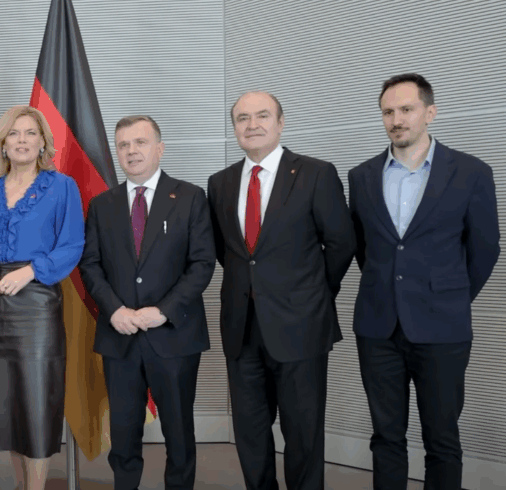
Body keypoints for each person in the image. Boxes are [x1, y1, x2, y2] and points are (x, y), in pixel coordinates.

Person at [348, 73, 500, 490]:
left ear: (430, 113)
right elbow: (364, 249)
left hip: (443, 327)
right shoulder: (361, 176)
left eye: (406, 109)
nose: (396, 119)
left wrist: (449, 295)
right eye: (388, 112)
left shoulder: (471, 172)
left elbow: (485, 248)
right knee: (386, 437)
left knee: (442, 438)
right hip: (377, 327)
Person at [206, 92, 355, 490]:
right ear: (234, 127)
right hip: (241, 328)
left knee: (303, 435)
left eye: (262, 115)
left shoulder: (316, 173)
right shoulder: (220, 183)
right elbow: (227, 252)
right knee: (250, 434)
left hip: (301, 325)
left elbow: (341, 243)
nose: (252, 125)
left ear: (281, 122)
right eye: (242, 118)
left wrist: (313, 293)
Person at [79, 115, 215, 490]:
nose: (132, 151)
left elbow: (202, 264)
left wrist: (163, 311)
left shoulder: (190, 197)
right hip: (119, 334)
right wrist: (114, 310)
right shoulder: (102, 204)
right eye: (123, 145)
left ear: (160, 148)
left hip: (174, 334)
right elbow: (90, 265)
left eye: (140, 142)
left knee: (179, 433)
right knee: (123, 433)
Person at [0, 105, 85, 490]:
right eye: (14, 133)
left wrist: (30, 272)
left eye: (31, 133)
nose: (22, 140)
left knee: (35, 404)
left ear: (43, 142)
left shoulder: (62, 187)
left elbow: (72, 245)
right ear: (2, 143)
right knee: (6, 406)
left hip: (36, 302)